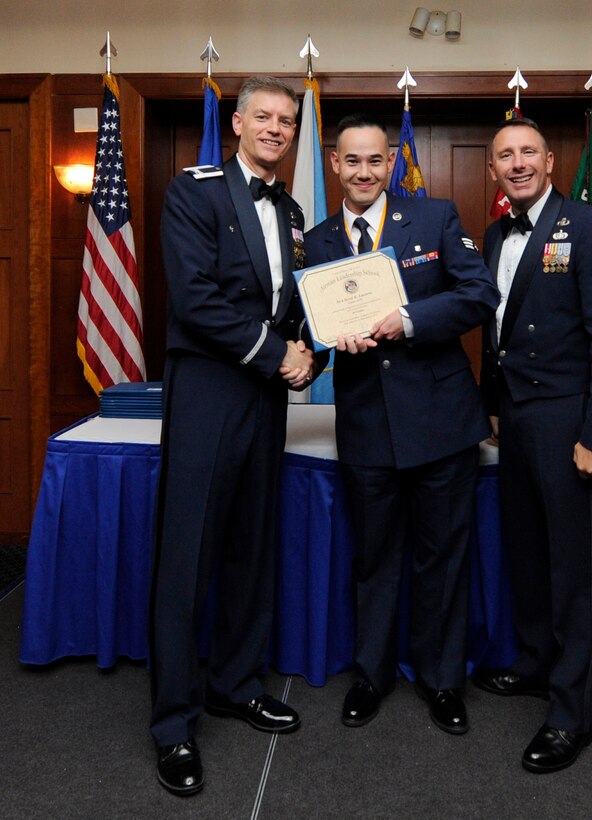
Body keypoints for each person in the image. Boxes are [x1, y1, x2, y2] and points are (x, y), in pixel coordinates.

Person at [150, 75, 325, 796]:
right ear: (237, 122)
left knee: (252, 545)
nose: (277, 129)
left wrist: (310, 345)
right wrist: (275, 352)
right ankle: (172, 723)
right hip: (210, 390)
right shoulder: (192, 191)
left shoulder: (288, 208)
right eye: (265, 116)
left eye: (287, 120)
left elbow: (290, 303)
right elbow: (194, 300)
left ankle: (234, 682)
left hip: (264, 397)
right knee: (188, 553)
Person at [301, 113, 499, 736]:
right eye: (351, 161)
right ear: (335, 164)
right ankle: (371, 676)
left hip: (441, 424)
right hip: (364, 426)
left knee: (441, 558)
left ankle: (443, 682)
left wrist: (407, 320)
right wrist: (322, 341)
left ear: (391, 165)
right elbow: (311, 326)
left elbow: (479, 294)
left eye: (375, 161)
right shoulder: (319, 238)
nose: (364, 171)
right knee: (375, 558)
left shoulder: (435, 218)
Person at [475, 117, 592, 773]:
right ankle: (537, 664)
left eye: (526, 153)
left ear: (549, 161)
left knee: (572, 569)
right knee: (527, 551)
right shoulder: (492, 233)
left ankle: (571, 713)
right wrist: (491, 405)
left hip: (569, 423)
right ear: (492, 171)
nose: (516, 164)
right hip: (516, 420)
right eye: (504, 156)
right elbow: (498, 331)